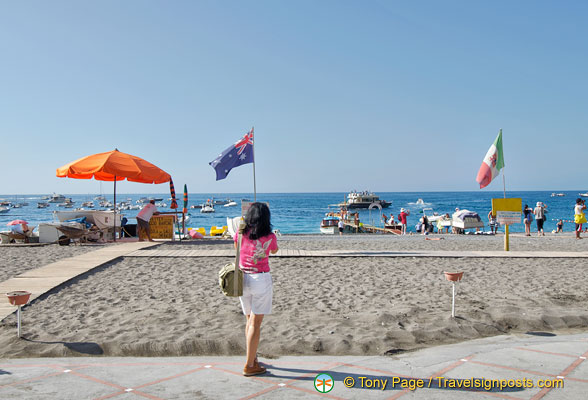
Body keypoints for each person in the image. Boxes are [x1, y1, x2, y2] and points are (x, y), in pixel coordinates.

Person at [234, 203, 279, 377]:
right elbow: (274, 251)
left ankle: (252, 358)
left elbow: (237, 248)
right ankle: (250, 364)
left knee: (249, 320)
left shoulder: (240, 234)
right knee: (255, 322)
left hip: (242, 279)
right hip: (260, 278)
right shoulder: (269, 236)